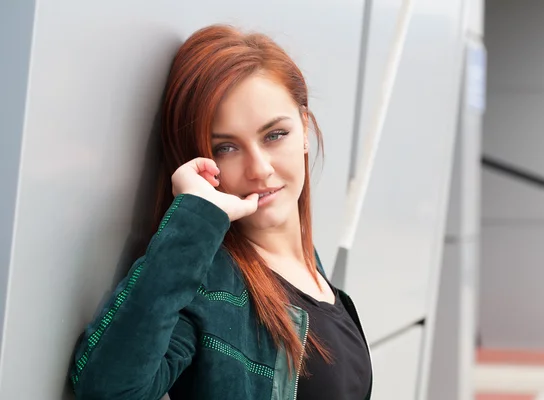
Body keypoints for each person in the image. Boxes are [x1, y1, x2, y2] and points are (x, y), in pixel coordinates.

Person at [68, 24, 372, 400]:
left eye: (275, 135)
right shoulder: (209, 286)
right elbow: (110, 391)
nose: (259, 168)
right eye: (226, 148)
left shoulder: (310, 268)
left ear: (305, 129)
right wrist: (193, 216)